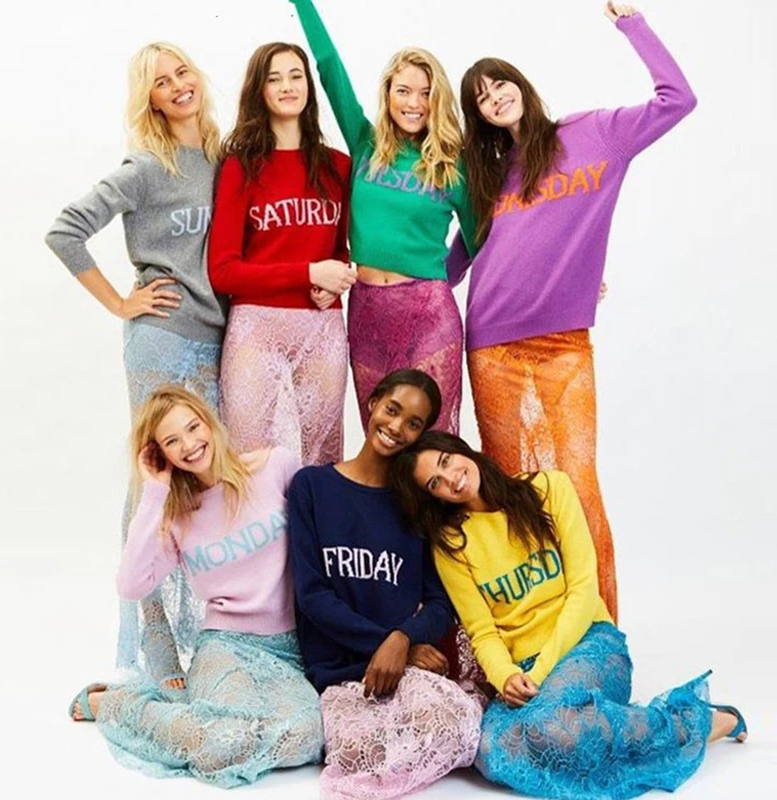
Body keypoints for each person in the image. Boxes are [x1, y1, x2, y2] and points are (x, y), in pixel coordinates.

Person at [447, 2, 698, 622]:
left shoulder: (593, 134)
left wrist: (631, 22)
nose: (494, 98)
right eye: (481, 98)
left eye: (499, 84)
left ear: (520, 84)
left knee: (578, 486)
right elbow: (450, 264)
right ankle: (539, 628)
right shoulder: (486, 178)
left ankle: (603, 629)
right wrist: (376, 279)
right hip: (492, 349)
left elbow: (677, 99)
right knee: (515, 494)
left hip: (565, 346)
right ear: (478, 115)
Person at [391, 431, 747, 799]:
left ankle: (697, 722)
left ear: (461, 451)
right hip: (523, 668)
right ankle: (599, 722)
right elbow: (482, 632)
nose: (451, 479)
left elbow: (583, 589)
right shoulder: (451, 543)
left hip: (589, 643)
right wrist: (506, 676)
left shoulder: (548, 489)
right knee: (489, 750)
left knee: (551, 727)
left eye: (446, 461)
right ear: (433, 496)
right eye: (435, 482)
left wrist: (540, 672)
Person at [46, 43, 227, 683]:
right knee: (153, 480)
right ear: (147, 98)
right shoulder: (147, 167)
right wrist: (122, 303)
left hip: (217, 339)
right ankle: (154, 641)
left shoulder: (223, 157)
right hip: (161, 340)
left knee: (205, 480)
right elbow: (65, 231)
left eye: (183, 72)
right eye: (161, 81)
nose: (177, 86)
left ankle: (209, 630)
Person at [68, 386, 323, 787]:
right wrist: (154, 491)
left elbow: (321, 536)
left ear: (209, 422)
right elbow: (131, 585)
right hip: (226, 647)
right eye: (172, 441)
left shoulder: (275, 466)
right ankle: (118, 704)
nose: (188, 445)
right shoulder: (177, 517)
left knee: (307, 737)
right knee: (226, 741)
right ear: (161, 454)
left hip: (291, 649)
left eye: (192, 427)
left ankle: (183, 709)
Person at [287, 370, 482, 799]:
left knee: (457, 726)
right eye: (392, 410)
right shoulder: (311, 486)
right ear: (373, 402)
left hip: (404, 673)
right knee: (362, 754)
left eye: (413, 423)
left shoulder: (415, 506)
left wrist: (403, 639)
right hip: (339, 675)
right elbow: (311, 595)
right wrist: (393, 644)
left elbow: (440, 604)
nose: (396, 427)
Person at [289, 0, 477, 434]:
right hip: (368, 310)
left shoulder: (454, 164)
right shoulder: (365, 144)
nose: (414, 103)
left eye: (426, 93)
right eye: (404, 91)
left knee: (432, 439)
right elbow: (329, 68)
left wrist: (440, 278)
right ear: (388, 94)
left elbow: (479, 238)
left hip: (429, 313)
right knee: (383, 438)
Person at [208, 41, 354, 465]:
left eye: (295, 76)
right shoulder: (240, 166)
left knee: (322, 457)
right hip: (256, 327)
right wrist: (309, 273)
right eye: (274, 79)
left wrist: (336, 277)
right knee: (250, 459)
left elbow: (341, 249)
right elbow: (223, 271)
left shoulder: (339, 166)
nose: (287, 86)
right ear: (260, 91)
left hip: (322, 327)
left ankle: (318, 517)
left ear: (309, 85)